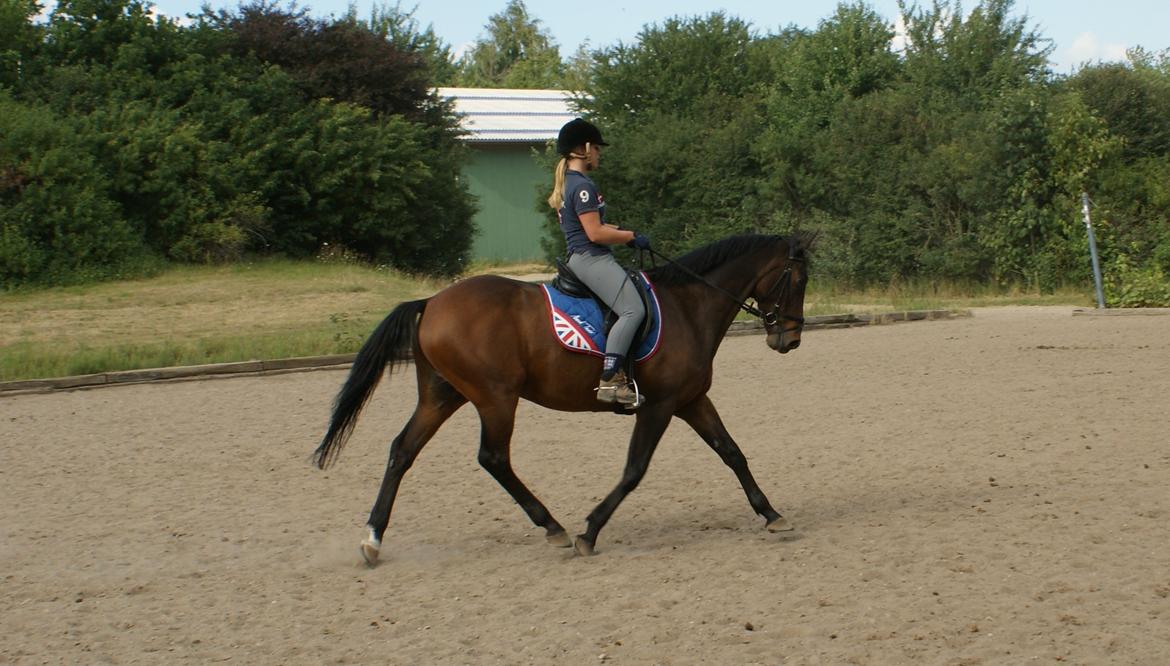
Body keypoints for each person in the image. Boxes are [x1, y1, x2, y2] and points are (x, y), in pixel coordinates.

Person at [548, 118, 652, 406]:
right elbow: (594, 233)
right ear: (584, 149)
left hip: (582, 256)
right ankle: (610, 380)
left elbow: (591, 226)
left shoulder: (570, 182)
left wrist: (616, 232)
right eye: (597, 149)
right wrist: (631, 236)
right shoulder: (582, 186)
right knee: (633, 310)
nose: (599, 154)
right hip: (590, 258)